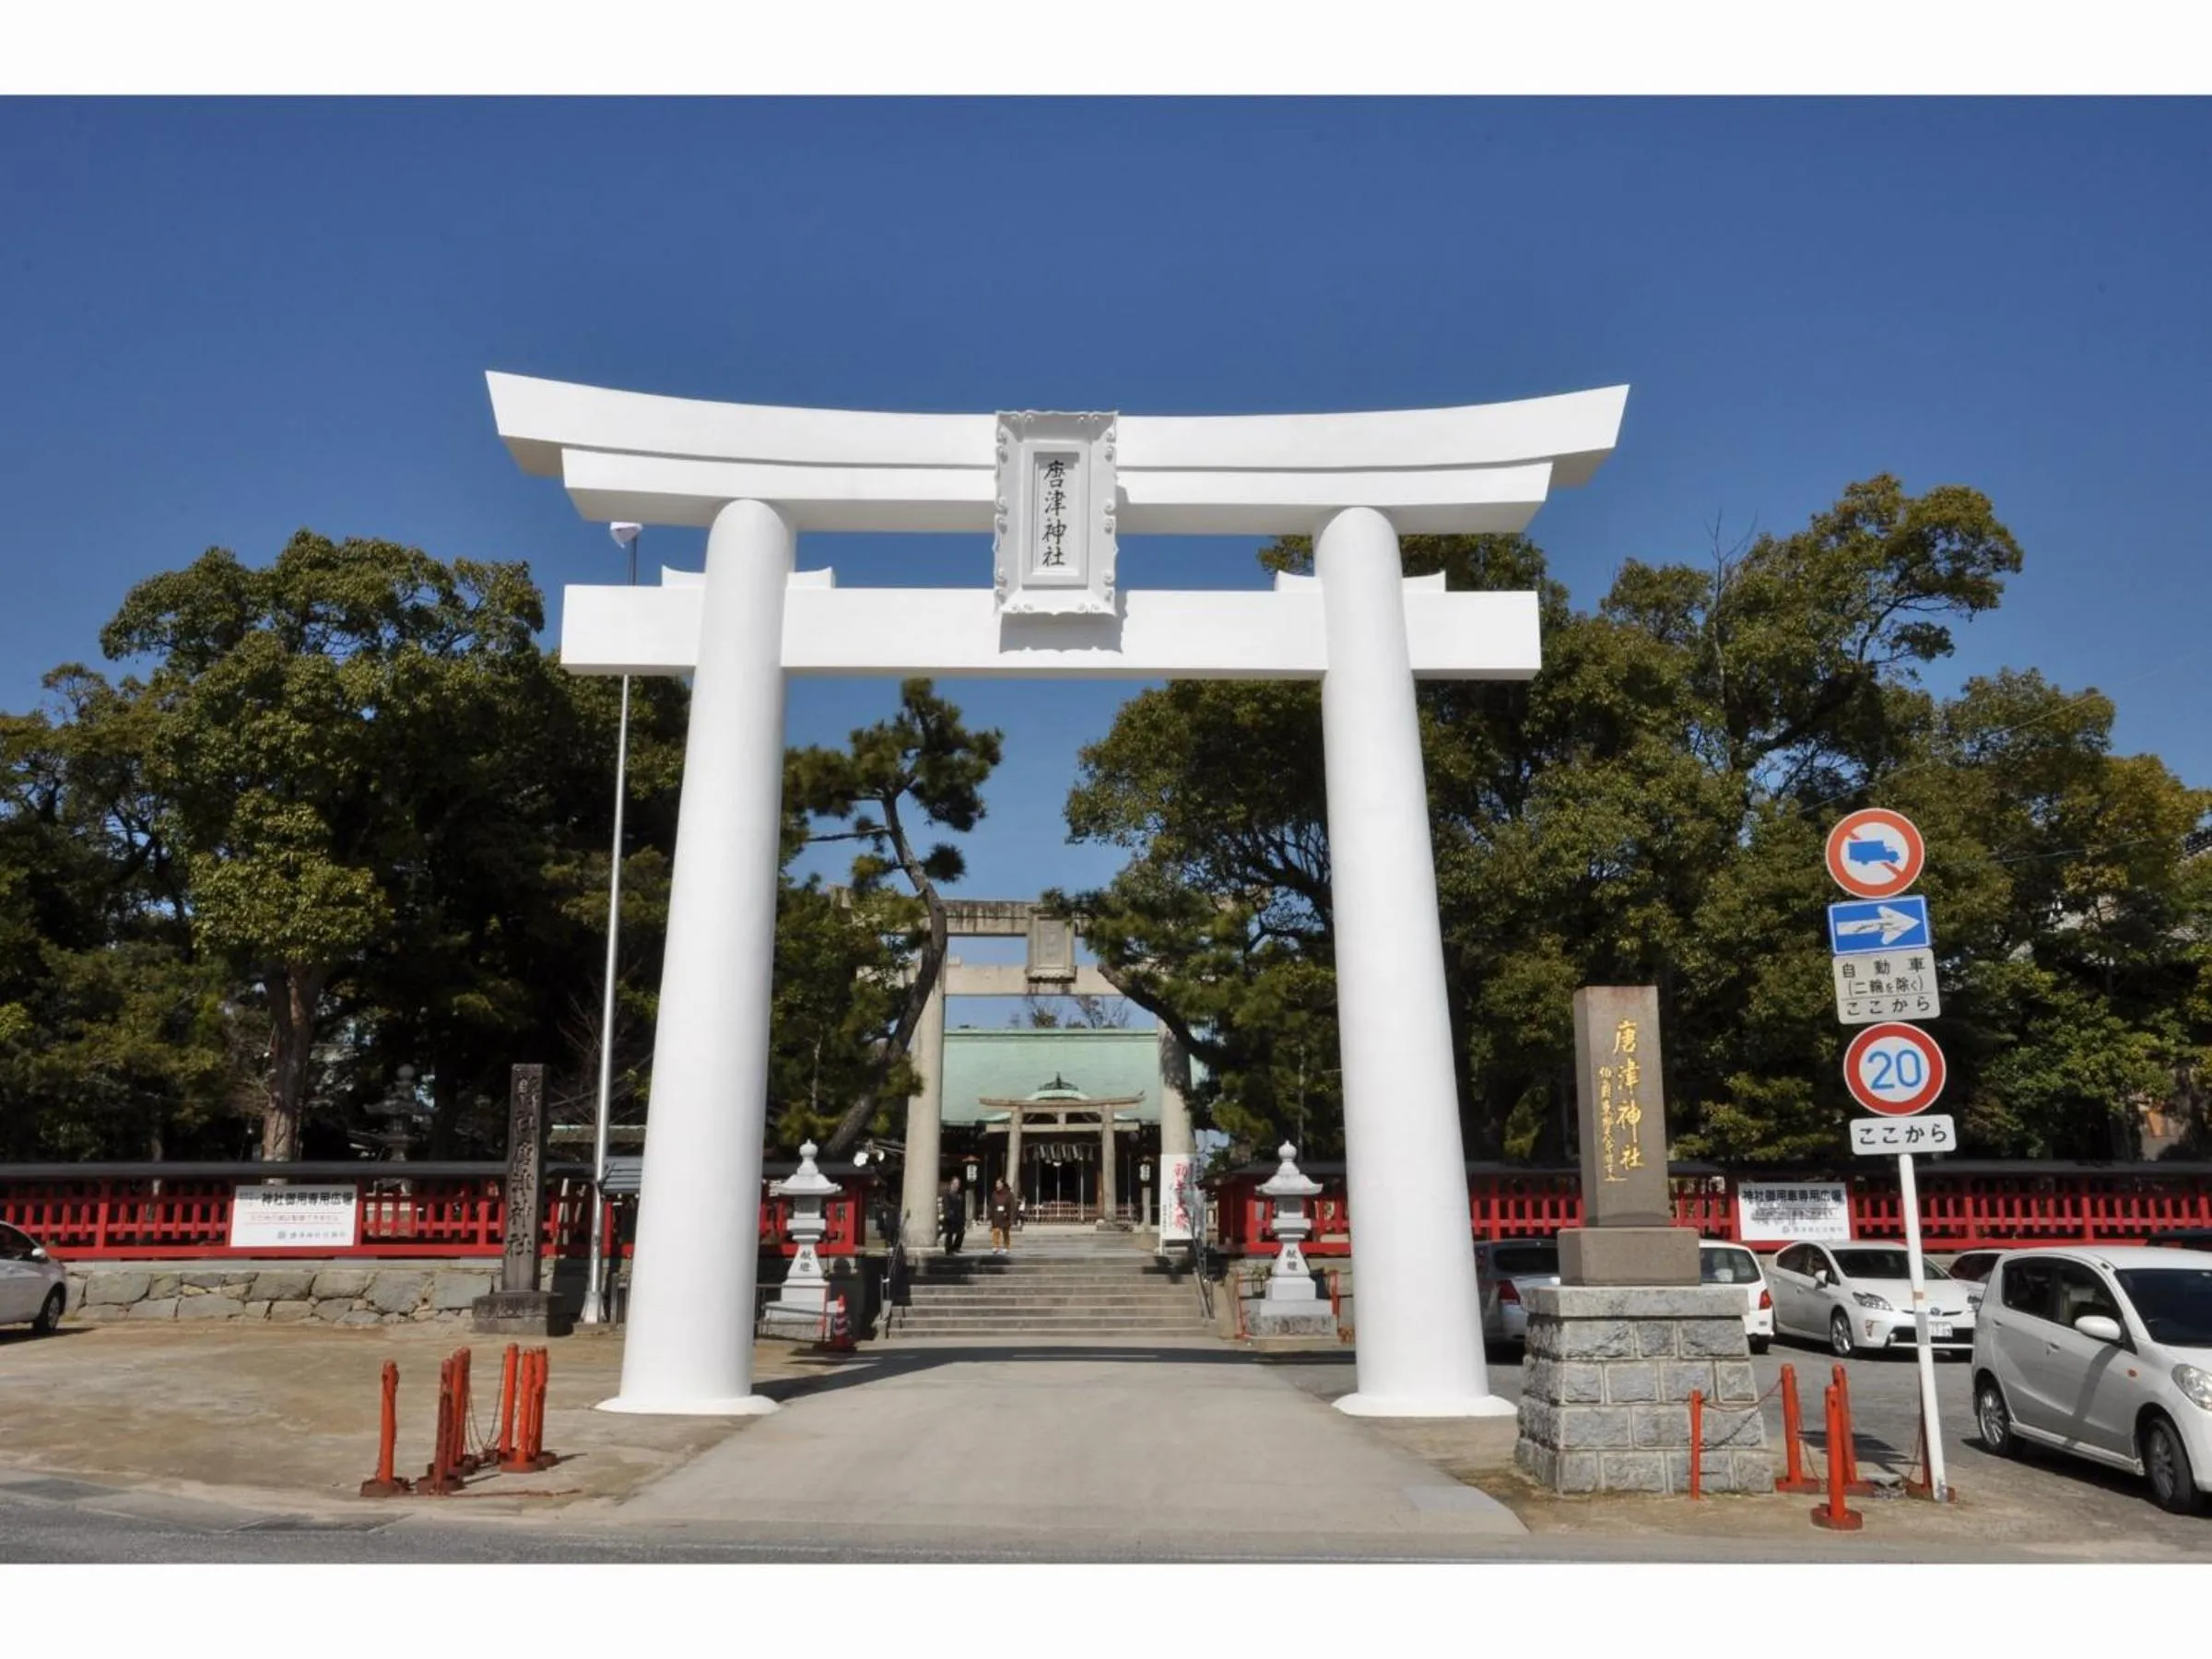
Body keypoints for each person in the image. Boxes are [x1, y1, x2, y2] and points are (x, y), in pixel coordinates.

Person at [988, 1179, 1016, 1256]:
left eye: (999, 1183)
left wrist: (1011, 1217)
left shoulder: (1009, 1194)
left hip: (1005, 1215)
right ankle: (995, 1246)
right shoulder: (994, 1194)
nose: (997, 1185)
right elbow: (991, 1205)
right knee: (995, 1231)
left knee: (1005, 1232)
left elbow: (1012, 1207)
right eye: (996, 1183)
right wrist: (990, 1215)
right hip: (996, 1214)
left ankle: (1006, 1246)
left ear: (1003, 1184)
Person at [939, 1176, 965, 1255]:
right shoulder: (947, 1193)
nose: (956, 1185)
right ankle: (948, 1250)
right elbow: (946, 1205)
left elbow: (961, 1207)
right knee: (949, 1234)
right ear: (951, 1184)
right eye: (955, 1183)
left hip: (958, 1217)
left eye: (958, 1184)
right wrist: (948, 1214)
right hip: (950, 1217)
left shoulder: (959, 1195)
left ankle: (956, 1247)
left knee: (961, 1232)